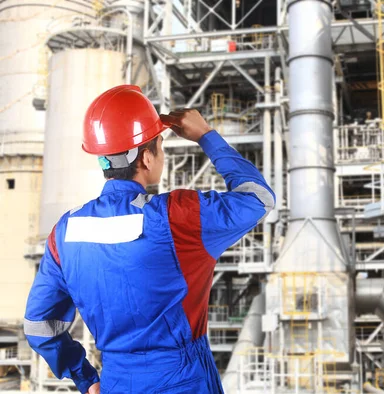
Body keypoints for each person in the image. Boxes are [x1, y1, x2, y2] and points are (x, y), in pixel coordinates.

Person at [23, 85, 274, 393]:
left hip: (116, 382)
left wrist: (85, 376)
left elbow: (38, 325)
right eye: (160, 146)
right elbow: (259, 198)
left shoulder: (64, 232)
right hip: (183, 382)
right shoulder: (177, 217)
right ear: (146, 158)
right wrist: (205, 134)